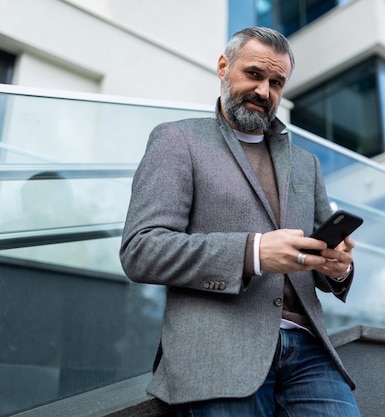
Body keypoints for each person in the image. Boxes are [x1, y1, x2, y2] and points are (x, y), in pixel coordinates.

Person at [119, 26, 361, 417]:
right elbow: (141, 250)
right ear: (222, 67)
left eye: (276, 82)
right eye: (254, 74)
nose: (265, 91)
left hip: (311, 353)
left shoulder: (306, 164)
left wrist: (337, 268)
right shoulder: (177, 140)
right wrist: (254, 253)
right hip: (217, 353)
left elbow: (317, 258)